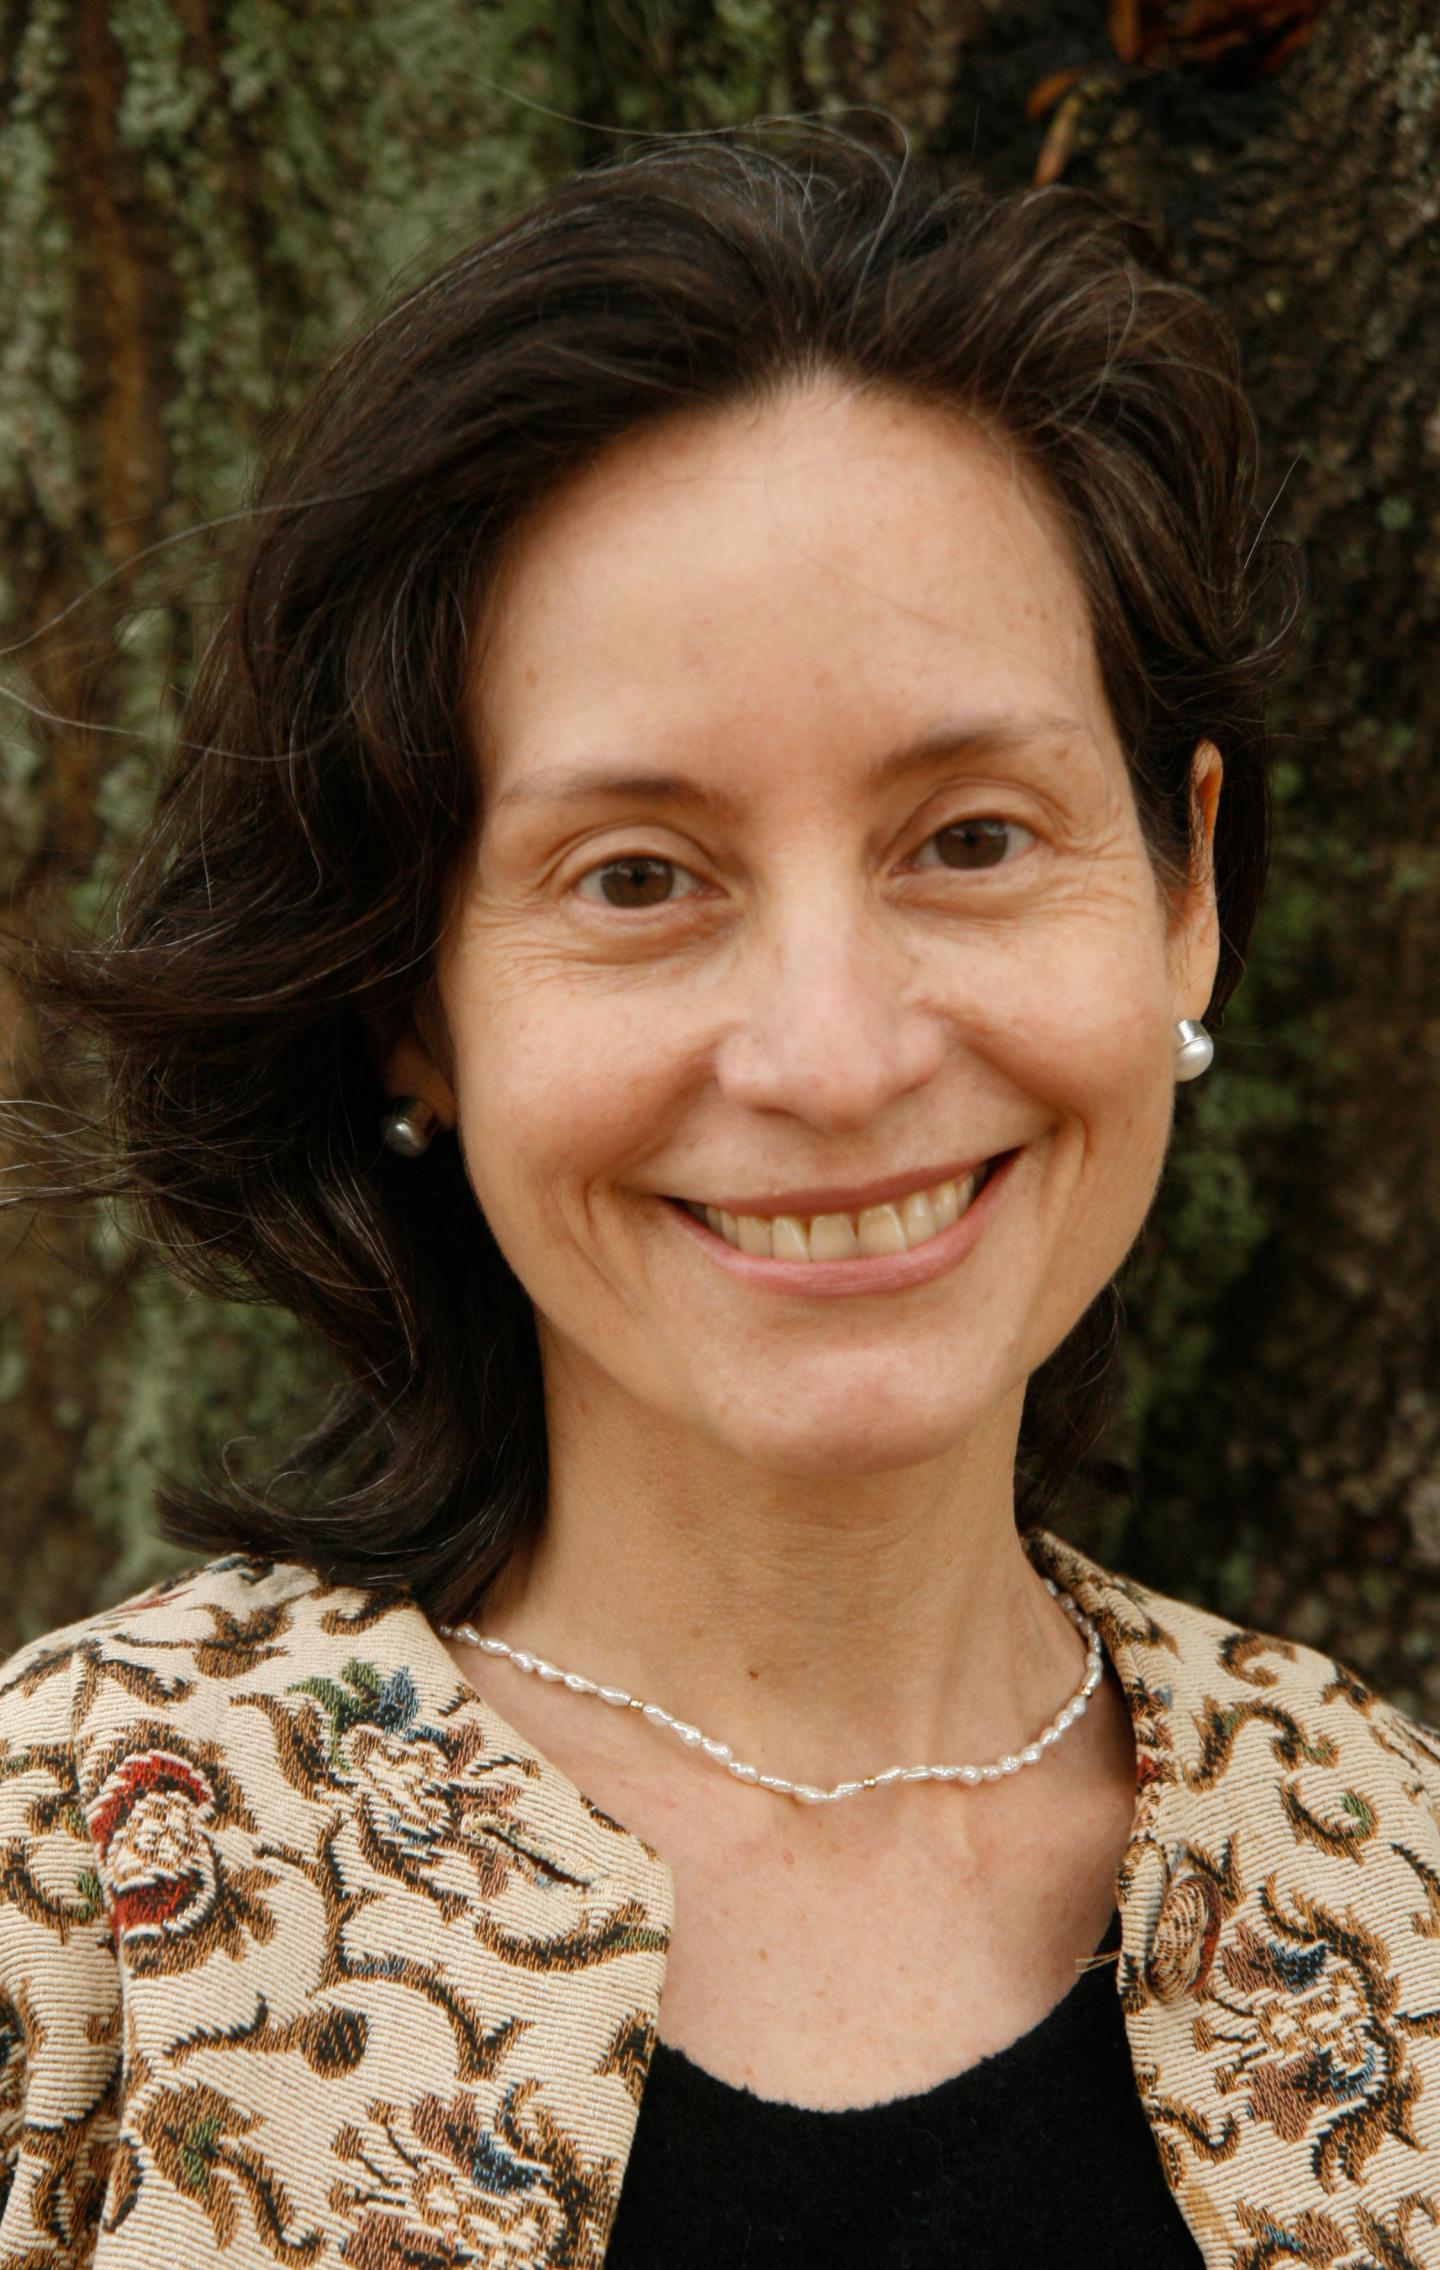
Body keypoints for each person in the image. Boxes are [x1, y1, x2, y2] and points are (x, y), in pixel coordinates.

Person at [2, 119, 1437, 2270]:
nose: (834, 1056)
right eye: (638, 878)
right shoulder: (77, 1881)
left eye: (971, 837)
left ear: (1184, 895)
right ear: (410, 999)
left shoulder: (1397, 1885)